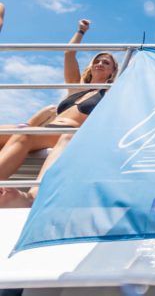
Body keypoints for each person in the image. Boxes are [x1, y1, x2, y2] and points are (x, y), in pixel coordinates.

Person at [0, 19, 119, 207]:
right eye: (97, 60)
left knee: (25, 134)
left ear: (113, 71)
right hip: (47, 129)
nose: (100, 63)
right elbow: (69, 53)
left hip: (68, 133)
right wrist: (81, 31)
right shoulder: (76, 87)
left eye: (106, 62)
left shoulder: (111, 92)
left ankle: (30, 197)